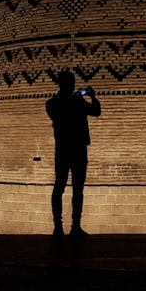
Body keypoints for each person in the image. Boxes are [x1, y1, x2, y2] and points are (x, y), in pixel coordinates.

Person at [45, 70, 101, 238]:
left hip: (62, 149)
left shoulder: (51, 103)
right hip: (77, 149)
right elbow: (96, 111)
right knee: (77, 189)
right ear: (67, 84)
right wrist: (92, 96)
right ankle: (75, 226)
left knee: (59, 187)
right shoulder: (77, 102)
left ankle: (58, 227)